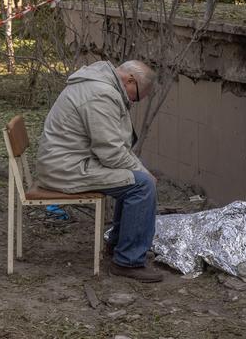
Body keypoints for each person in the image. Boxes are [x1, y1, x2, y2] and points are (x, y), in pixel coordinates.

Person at [36, 60, 163, 283]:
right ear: (130, 81)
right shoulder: (100, 94)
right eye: (136, 97)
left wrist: (139, 169)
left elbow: (113, 147)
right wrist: (143, 172)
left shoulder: (99, 82)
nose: (133, 102)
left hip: (67, 161)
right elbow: (111, 152)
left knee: (136, 179)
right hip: (66, 168)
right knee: (143, 185)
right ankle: (128, 260)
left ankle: (118, 244)